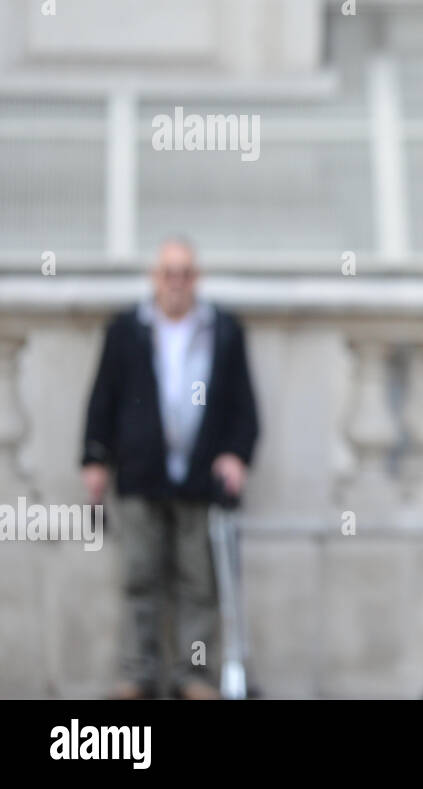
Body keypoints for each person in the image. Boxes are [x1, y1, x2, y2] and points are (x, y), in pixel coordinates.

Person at [81, 237, 259, 699]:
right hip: (141, 473)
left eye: (185, 273)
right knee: (140, 578)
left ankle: (194, 676)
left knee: (199, 583)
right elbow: (104, 396)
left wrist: (236, 454)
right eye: (168, 273)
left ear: (196, 279)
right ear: (155, 277)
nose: (176, 282)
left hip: (202, 479)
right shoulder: (128, 329)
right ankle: (138, 674)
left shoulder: (222, 330)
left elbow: (244, 405)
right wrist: (95, 457)